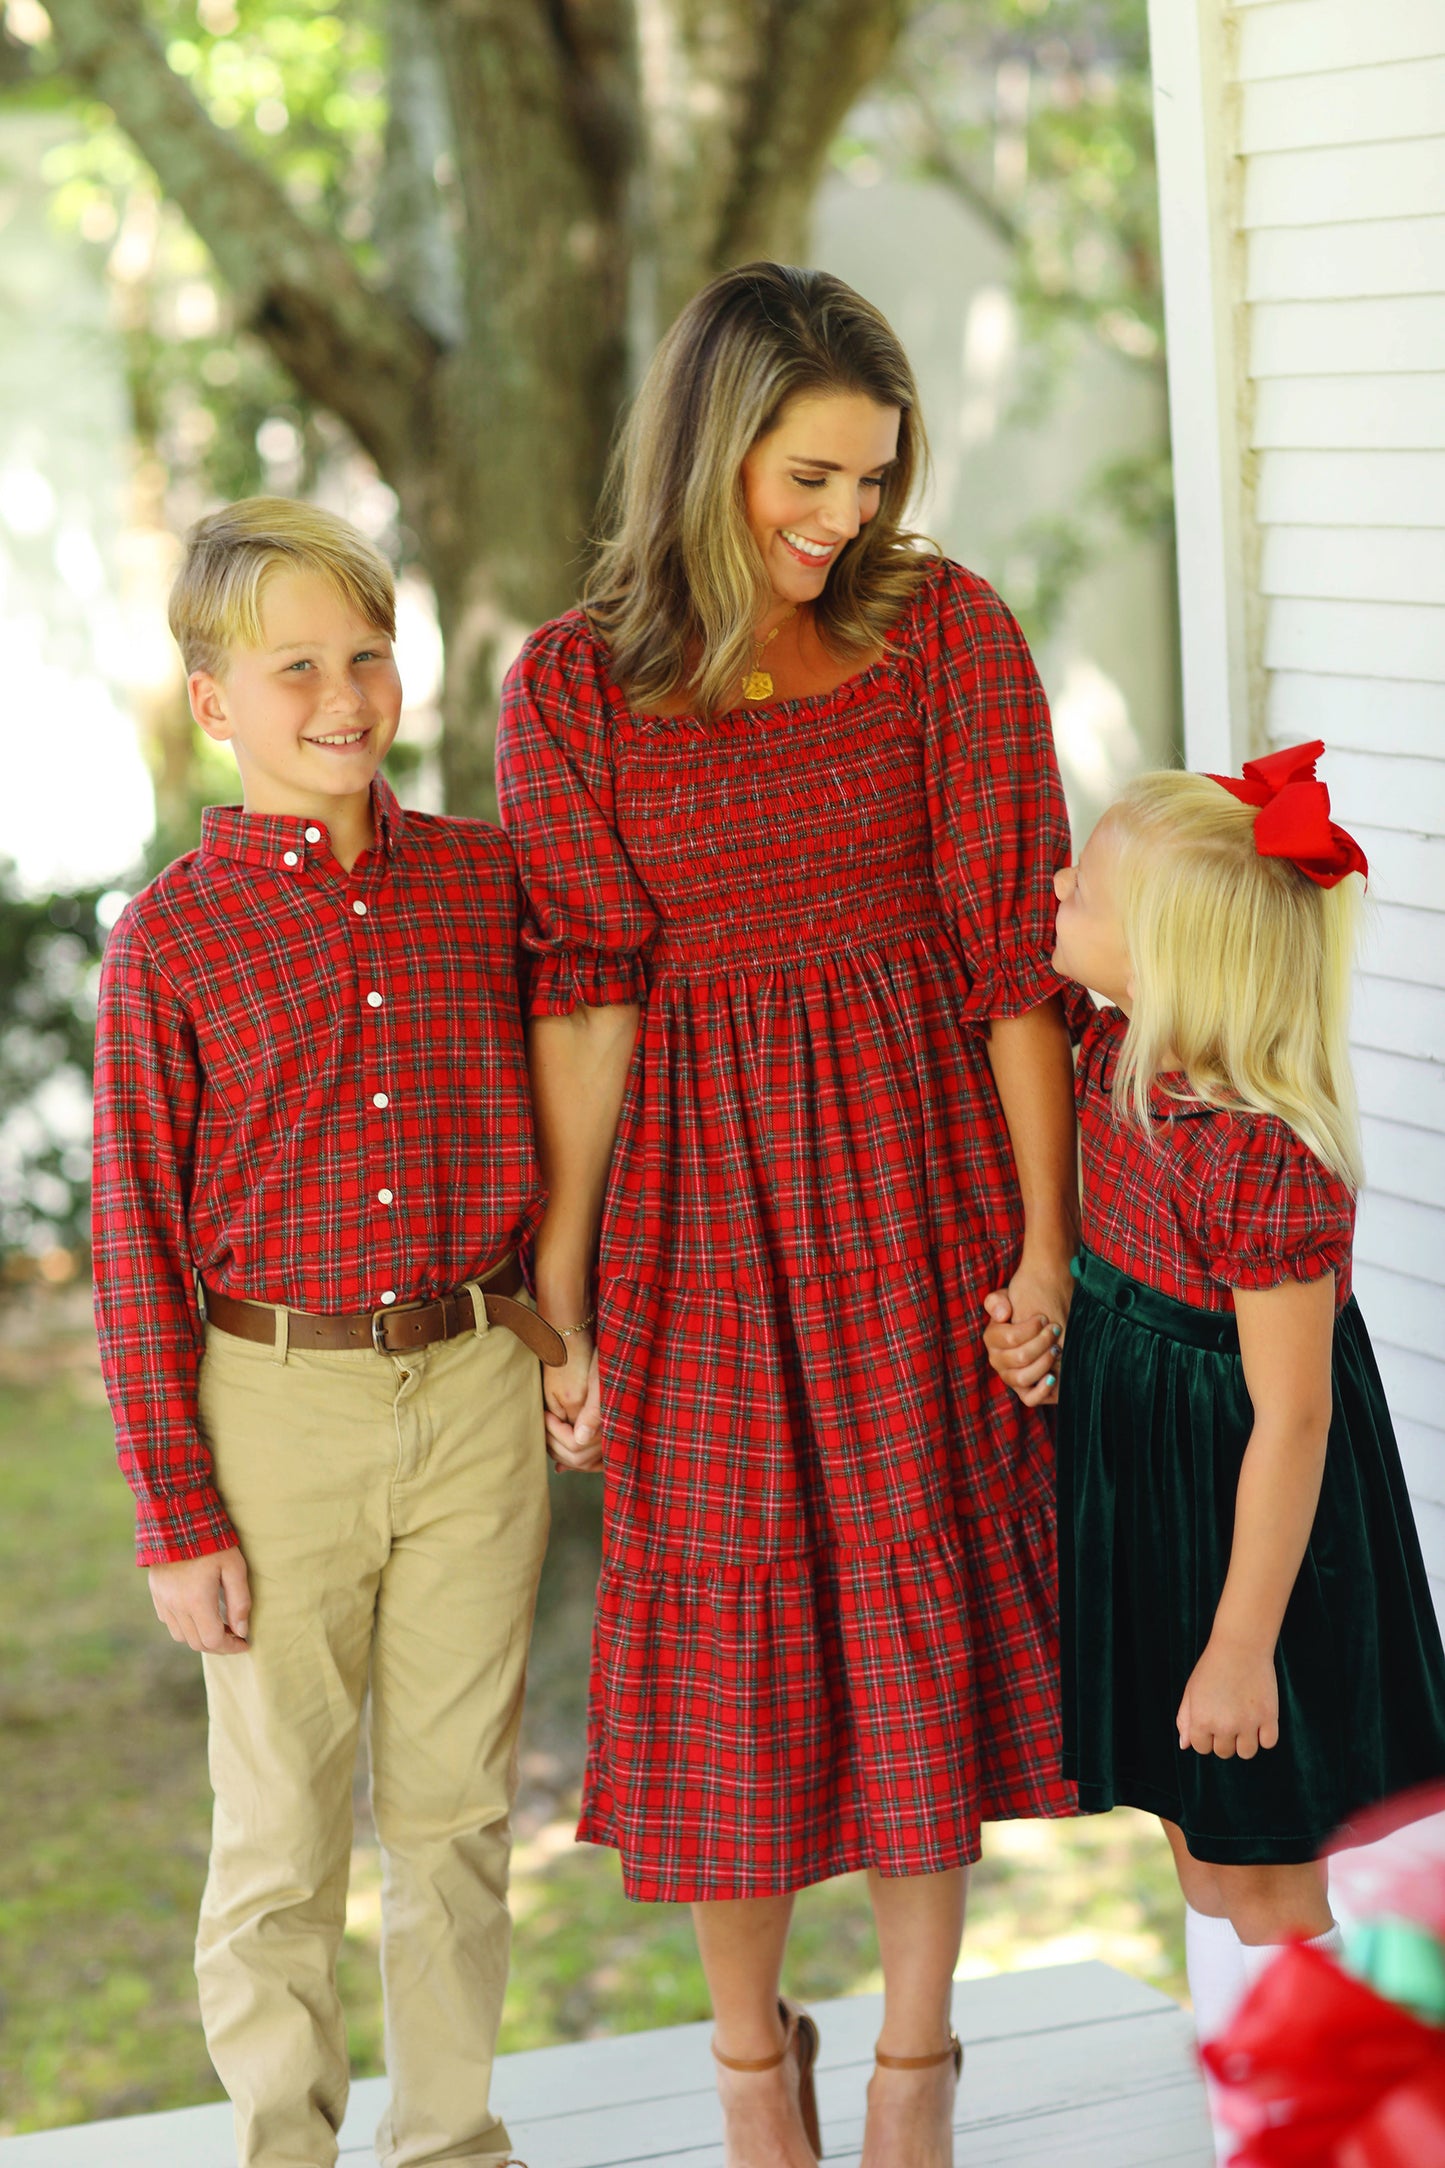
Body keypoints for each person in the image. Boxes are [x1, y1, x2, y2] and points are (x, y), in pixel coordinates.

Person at [494, 262, 1081, 2168]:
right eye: (808, 477)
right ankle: (755, 2075)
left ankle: (916, 2079)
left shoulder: (946, 635)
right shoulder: (572, 682)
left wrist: (1043, 1242)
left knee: (919, 1624)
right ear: (711, 446)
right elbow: (583, 1000)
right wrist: (559, 1290)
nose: (843, 521)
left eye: (871, 483)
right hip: (696, 1211)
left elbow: (1015, 966)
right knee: (722, 1639)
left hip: (918, 1181)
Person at [91, 497, 561, 2168]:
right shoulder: (167, 942)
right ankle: (283, 2149)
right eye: (296, 666)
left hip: (477, 1388)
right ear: (216, 701)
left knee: (456, 1820)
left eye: (366, 655)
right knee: (281, 1832)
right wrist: (177, 1511)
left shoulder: (488, 886)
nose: (345, 695)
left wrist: (561, 1330)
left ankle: (449, 2147)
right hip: (270, 1405)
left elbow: (581, 1104)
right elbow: (132, 1243)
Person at [1002, 742, 1445, 2160]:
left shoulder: (1254, 1156)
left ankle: (1354, 2127)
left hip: (1257, 1536)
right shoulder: (1108, 1054)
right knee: (1202, 1848)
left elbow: (1295, 1416)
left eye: (1091, 879)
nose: (1057, 879)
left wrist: (1243, 1639)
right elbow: (1108, 1276)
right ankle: (1254, 2129)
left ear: (1175, 955)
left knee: (1272, 1863)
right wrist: (1051, 1325)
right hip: (1158, 1501)